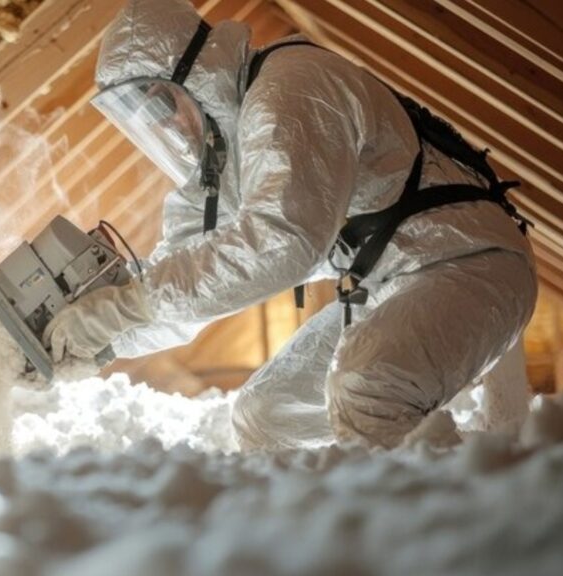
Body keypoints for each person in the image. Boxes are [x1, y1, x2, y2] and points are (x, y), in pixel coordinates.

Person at [42, 0, 537, 449]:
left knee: (366, 391)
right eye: (140, 113)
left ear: (192, 70)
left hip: (468, 264)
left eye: (156, 103)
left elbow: (282, 242)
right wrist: (98, 344)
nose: (162, 124)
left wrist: (126, 305)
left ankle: (474, 518)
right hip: (388, 284)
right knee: (268, 415)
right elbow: (187, 283)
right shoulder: (225, 155)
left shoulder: (291, 90)